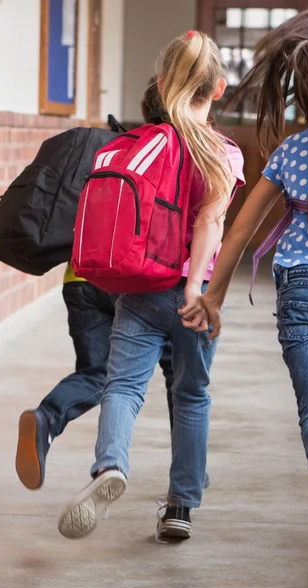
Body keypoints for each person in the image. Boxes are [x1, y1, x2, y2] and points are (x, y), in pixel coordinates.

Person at [181, 7, 308, 584]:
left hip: (304, 289)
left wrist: (212, 296)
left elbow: (241, 230)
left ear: (307, 93)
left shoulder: (293, 152)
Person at [58, 30, 245, 542]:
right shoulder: (223, 153)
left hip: (140, 288)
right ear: (221, 88)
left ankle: (110, 465)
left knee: (122, 386)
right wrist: (195, 291)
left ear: (162, 85)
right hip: (194, 294)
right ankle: (181, 506)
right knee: (191, 395)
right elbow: (210, 224)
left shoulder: (143, 144)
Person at [15, 80, 185, 492]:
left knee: (97, 372)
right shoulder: (175, 152)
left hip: (82, 276)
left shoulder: (107, 147)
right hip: (139, 283)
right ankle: (184, 483)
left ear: (144, 113)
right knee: (180, 379)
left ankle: (47, 417)